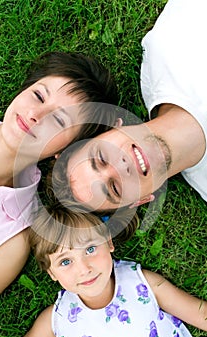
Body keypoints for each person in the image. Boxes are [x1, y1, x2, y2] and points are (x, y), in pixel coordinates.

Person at [0, 51, 120, 324]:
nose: (34, 115)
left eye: (59, 121)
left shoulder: (9, 241)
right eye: (39, 96)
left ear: (65, 151)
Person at [48, 0, 207, 212]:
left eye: (102, 157)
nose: (121, 168)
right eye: (114, 188)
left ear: (112, 127)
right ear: (139, 201)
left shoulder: (173, 48)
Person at [13, 206, 206, 337]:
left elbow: (198, 313)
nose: (84, 269)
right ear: (51, 273)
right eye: (65, 262)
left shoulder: (141, 283)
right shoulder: (57, 318)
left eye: (90, 249)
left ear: (109, 243)